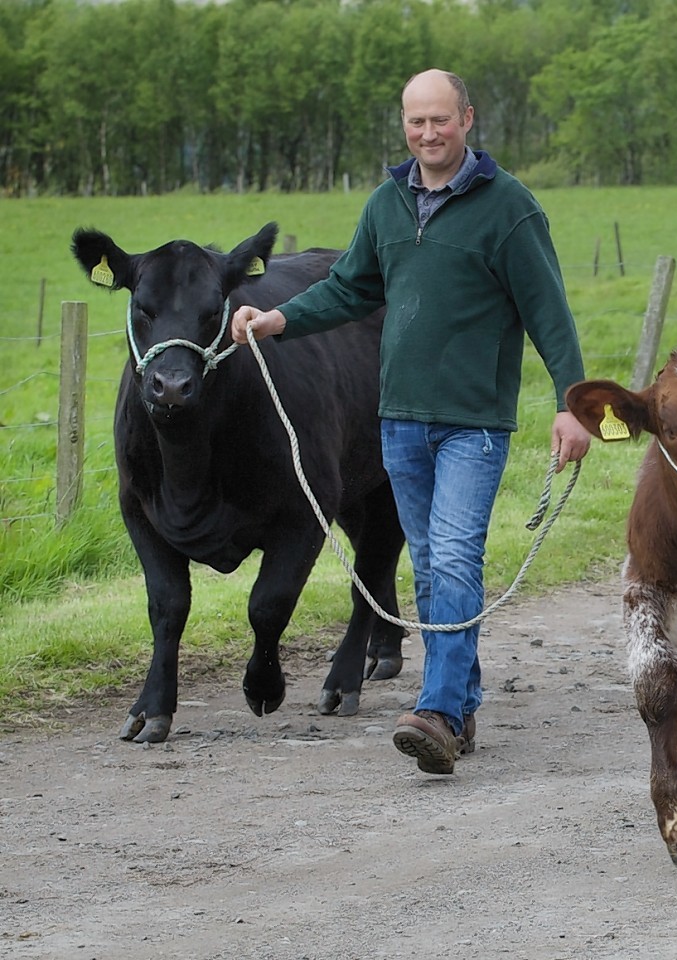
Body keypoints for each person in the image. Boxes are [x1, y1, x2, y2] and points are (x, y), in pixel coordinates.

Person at [230, 69, 591, 776]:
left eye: (441, 121)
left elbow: (549, 313)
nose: (428, 134)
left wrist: (570, 403)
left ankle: (438, 712)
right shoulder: (387, 203)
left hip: (472, 424)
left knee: (453, 559)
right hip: (398, 421)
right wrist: (276, 319)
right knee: (429, 569)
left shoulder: (509, 207)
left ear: (467, 119)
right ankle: (462, 694)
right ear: (404, 125)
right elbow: (348, 288)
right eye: (415, 122)